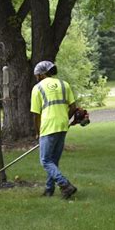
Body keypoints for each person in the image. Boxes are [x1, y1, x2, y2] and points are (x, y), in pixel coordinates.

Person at [30, 60, 78, 199]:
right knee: (53, 161)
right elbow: (73, 107)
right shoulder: (64, 84)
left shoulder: (37, 88)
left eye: (36, 75)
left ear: (40, 75)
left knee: (45, 160)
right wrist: (65, 119)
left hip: (48, 126)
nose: (36, 78)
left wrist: (38, 132)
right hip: (63, 126)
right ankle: (49, 189)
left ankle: (65, 185)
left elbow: (36, 114)